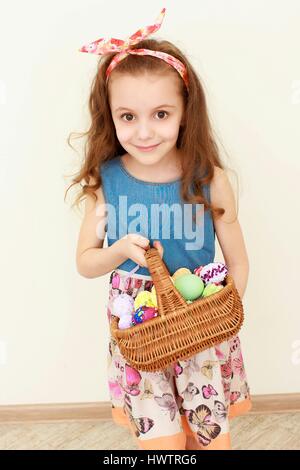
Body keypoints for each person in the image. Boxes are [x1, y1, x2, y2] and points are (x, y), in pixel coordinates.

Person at [67, 8, 252, 450]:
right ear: (109, 115)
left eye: (162, 114)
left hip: (201, 334)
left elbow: (238, 261)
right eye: (127, 116)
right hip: (142, 337)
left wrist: (213, 321)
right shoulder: (106, 183)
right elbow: (86, 262)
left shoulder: (209, 179)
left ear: (186, 112)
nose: (144, 132)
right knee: (162, 443)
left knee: (205, 438)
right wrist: (118, 251)